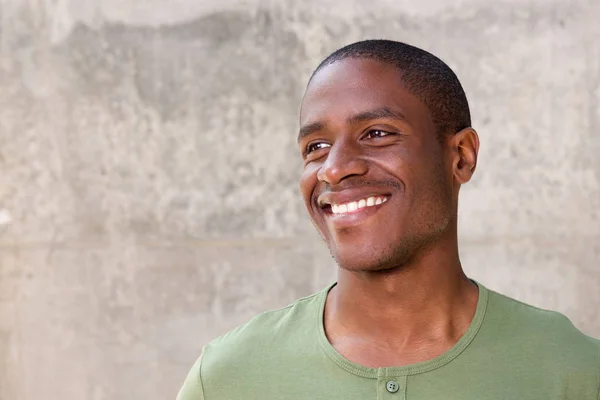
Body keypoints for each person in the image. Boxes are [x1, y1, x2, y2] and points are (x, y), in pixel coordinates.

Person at [177, 39, 600, 399]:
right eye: (316, 146)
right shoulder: (228, 379)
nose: (334, 168)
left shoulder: (572, 373)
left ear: (461, 156)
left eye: (377, 133)